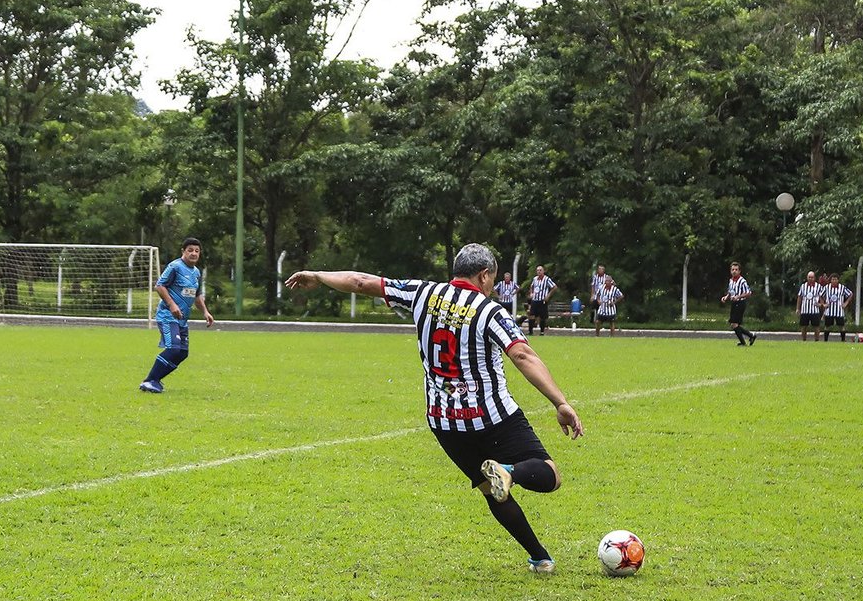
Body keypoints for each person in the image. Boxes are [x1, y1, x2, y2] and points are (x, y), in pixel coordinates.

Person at [285, 243, 584, 573]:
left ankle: (540, 557)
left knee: (490, 490)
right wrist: (560, 402)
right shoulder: (490, 311)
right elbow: (522, 355)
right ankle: (509, 472)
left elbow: (360, 281)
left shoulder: (422, 293)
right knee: (548, 475)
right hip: (491, 416)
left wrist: (317, 275)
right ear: (484, 275)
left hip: (444, 422)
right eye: (493, 280)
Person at [138, 237, 215, 394]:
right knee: (173, 349)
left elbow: (197, 294)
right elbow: (159, 286)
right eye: (190, 250)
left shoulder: (196, 272)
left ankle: (155, 380)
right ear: (183, 251)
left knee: (182, 353)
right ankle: (149, 380)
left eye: (196, 251)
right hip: (167, 316)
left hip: (182, 319)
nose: (193, 253)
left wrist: (205, 312)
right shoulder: (175, 266)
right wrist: (172, 305)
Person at [721, 262, 757, 346]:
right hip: (734, 303)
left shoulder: (742, 281)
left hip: (740, 303)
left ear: (739, 271)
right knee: (733, 324)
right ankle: (750, 337)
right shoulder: (731, 281)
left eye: (736, 270)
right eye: (733, 269)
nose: (734, 271)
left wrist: (738, 297)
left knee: (734, 324)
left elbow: (748, 293)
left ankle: (747, 338)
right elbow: (730, 292)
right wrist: (726, 297)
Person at [526, 265, 557, 336]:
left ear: (543, 271)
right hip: (535, 300)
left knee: (542, 317)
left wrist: (548, 296)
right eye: (537, 270)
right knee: (531, 315)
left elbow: (554, 287)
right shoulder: (535, 279)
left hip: (542, 300)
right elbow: (532, 286)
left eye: (540, 270)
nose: (539, 272)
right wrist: (531, 293)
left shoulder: (546, 279)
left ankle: (542, 332)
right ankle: (530, 331)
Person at [823, 273, 854, 342]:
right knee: (827, 326)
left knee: (841, 326)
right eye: (833, 279)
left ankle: (843, 340)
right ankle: (825, 340)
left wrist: (846, 303)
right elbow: (820, 295)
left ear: (838, 280)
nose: (834, 281)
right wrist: (824, 304)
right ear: (830, 280)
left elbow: (850, 294)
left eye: (835, 279)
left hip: (839, 310)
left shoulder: (842, 287)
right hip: (829, 310)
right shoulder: (826, 287)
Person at [795, 270, 825, 342]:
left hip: (815, 310)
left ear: (814, 278)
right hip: (805, 310)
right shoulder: (803, 286)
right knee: (804, 326)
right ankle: (804, 340)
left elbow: (822, 298)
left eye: (812, 277)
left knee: (816, 326)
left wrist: (821, 305)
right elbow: (800, 297)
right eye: (809, 277)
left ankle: (817, 340)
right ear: (807, 278)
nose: (810, 279)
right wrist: (797, 308)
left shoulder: (818, 287)